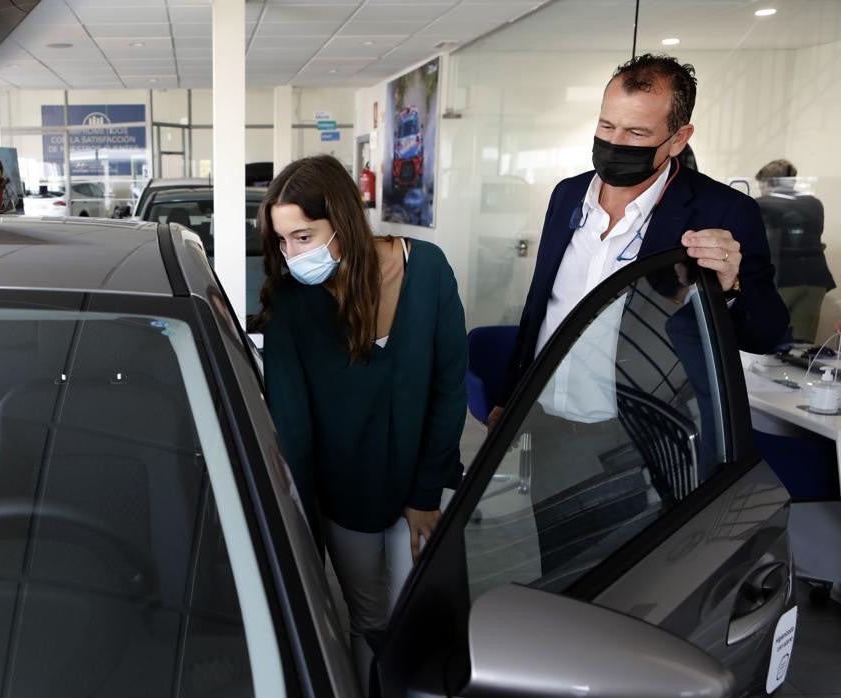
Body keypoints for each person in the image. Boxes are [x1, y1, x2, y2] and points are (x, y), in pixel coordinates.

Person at [255, 154, 467, 693]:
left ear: (343, 221)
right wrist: (305, 537)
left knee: (415, 617)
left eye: (303, 236)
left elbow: (448, 388)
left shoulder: (429, 270)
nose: (292, 254)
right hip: (346, 499)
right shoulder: (291, 306)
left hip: (419, 489)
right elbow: (293, 432)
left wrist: (426, 495)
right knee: (368, 620)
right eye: (283, 241)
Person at [491, 54, 788, 427]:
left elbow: (767, 334)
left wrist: (731, 286)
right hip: (543, 410)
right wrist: (510, 397)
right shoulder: (568, 194)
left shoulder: (723, 212)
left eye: (636, 133)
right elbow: (541, 305)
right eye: (606, 126)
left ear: (679, 139)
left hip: (645, 433)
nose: (614, 142)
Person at [756, 159, 833, 342]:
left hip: (782, 278)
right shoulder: (814, 203)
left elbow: (760, 243)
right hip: (816, 278)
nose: (761, 191)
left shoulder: (762, 204)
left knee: (768, 339)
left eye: (762, 186)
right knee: (801, 344)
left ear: (769, 183)